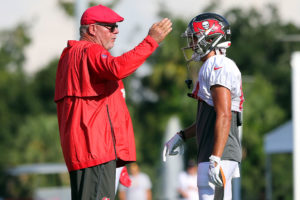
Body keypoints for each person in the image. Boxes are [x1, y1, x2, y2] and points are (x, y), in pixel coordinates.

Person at [54, 4, 172, 200]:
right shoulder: (89, 50)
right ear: (92, 29)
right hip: (96, 151)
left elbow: (104, 105)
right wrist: (151, 41)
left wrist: (120, 160)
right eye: (110, 27)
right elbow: (117, 68)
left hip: (86, 151)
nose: (116, 31)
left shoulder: (70, 55)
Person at [163, 13, 244, 200]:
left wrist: (215, 158)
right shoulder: (211, 65)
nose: (191, 44)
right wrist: (182, 135)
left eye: (194, 38)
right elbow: (208, 117)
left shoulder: (218, 64)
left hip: (218, 154)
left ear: (210, 38)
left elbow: (224, 115)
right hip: (214, 153)